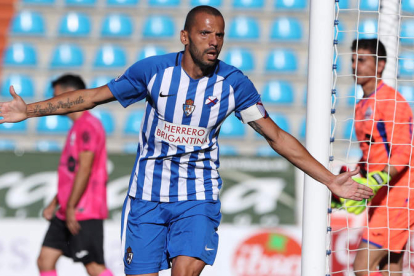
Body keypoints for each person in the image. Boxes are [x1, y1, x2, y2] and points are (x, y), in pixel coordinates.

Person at [0, 6, 373, 276]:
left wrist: (328, 178)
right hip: (146, 198)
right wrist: (28, 110)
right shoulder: (153, 72)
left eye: (220, 35)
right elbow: (93, 96)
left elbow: (275, 135)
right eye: (205, 33)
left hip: (197, 198)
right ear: (185, 36)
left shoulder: (234, 84)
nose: (214, 42)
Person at [335, 39, 414, 276]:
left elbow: (404, 151)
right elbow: (372, 152)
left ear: (379, 66)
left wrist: (378, 178)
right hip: (381, 194)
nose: (354, 66)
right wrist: (352, 180)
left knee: (362, 267)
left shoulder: (390, 102)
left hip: (399, 193)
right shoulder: (362, 105)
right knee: (390, 267)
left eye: (362, 60)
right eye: (352, 60)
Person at [36, 75, 114, 276]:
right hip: (67, 208)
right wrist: (56, 203)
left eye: (56, 97)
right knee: (45, 260)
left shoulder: (89, 125)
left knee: (94, 267)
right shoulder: (76, 126)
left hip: (83, 209)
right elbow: (71, 173)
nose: (54, 102)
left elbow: (85, 169)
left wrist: (70, 206)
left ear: (68, 94)